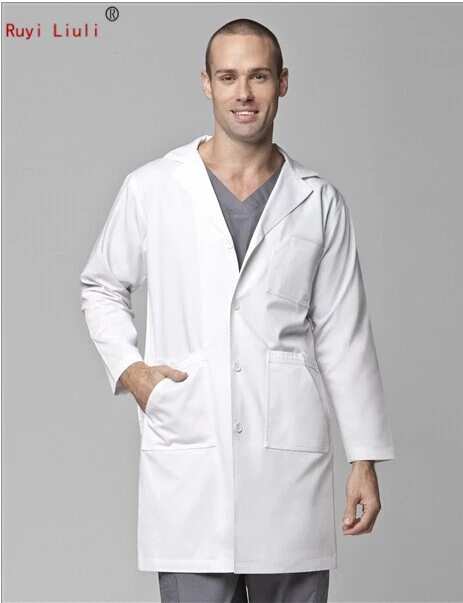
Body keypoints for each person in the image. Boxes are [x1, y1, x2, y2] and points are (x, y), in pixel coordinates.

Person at [80, 18, 395, 603]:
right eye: (228, 77)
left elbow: (344, 334)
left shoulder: (318, 201)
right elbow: (101, 286)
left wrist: (365, 458)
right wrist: (133, 371)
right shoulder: (153, 188)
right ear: (206, 83)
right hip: (190, 464)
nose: (243, 93)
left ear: (283, 83)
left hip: (289, 472)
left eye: (258, 77)